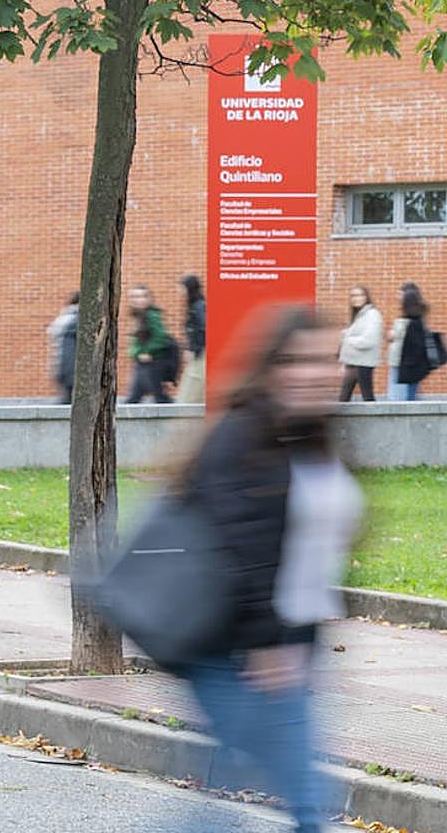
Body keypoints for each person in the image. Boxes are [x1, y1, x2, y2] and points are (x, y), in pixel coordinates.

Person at [176, 306, 361, 833]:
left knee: (282, 800)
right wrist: (265, 639)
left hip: (291, 647)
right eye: (298, 360)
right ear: (272, 367)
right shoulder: (239, 438)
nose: (317, 372)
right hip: (238, 653)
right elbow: (238, 545)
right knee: (298, 802)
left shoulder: (310, 436)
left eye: (327, 359)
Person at [126, 285, 175, 404]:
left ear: (149, 299)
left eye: (143, 296)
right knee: (135, 398)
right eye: (135, 297)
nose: (139, 300)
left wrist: (146, 351)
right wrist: (136, 353)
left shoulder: (151, 315)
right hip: (143, 364)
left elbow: (161, 337)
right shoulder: (138, 315)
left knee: (158, 399)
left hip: (153, 364)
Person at [339, 285, 383, 401]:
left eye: (359, 295)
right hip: (353, 362)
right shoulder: (360, 315)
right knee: (344, 399)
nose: (355, 298)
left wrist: (348, 338)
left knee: (367, 398)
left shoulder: (372, 314)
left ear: (366, 297)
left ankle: (376, 418)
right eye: (353, 296)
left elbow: (368, 341)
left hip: (363, 363)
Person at [395, 285, 431, 400]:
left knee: (409, 398)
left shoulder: (413, 323)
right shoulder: (418, 320)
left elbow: (416, 347)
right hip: (413, 368)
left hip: (411, 368)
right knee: (412, 394)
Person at [177, 275, 206, 404]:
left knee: (192, 386)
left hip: (200, 354)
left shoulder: (198, 306)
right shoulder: (195, 305)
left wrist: (193, 350)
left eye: (182, 287)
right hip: (198, 353)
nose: (179, 291)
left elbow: (203, 328)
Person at [48, 292, 79, 404]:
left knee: (67, 401)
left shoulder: (63, 318)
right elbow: (69, 351)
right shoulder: (76, 321)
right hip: (70, 371)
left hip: (60, 368)